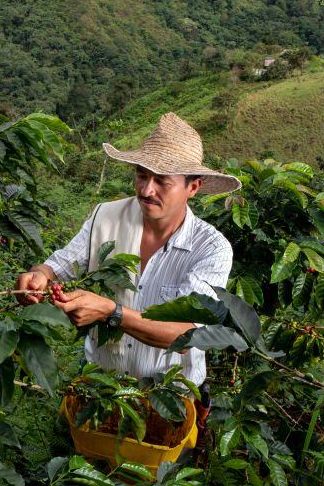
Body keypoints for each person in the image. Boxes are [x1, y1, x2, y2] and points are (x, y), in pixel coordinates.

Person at [14, 113, 240, 387]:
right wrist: (38, 276)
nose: (146, 190)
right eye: (142, 176)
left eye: (162, 182)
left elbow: (186, 335)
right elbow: (56, 268)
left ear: (193, 187)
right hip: (100, 388)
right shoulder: (105, 217)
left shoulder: (211, 249)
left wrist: (112, 312)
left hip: (171, 395)